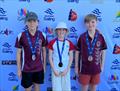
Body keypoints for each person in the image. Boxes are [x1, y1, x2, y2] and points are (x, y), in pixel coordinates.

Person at [15, 11, 47, 91]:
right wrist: (18, 69)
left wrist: (44, 67)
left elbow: (44, 51)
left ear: (37, 23)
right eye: (29, 21)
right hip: (26, 69)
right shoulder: (21, 36)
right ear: (26, 23)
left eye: (34, 21)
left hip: (39, 68)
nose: (32, 23)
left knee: (37, 89)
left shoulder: (43, 35)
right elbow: (18, 53)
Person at [75, 14, 107, 91]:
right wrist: (76, 67)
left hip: (96, 68)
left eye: (93, 22)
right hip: (84, 69)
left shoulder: (101, 37)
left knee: (94, 88)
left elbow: (103, 51)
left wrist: (102, 66)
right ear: (85, 24)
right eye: (88, 22)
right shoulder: (82, 37)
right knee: (84, 88)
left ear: (97, 22)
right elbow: (77, 52)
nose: (90, 24)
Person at [47, 22, 75, 91]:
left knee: (66, 88)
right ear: (56, 31)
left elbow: (71, 58)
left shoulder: (69, 43)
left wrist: (67, 69)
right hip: (55, 69)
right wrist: (54, 70)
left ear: (66, 31)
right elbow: (50, 57)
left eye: (63, 30)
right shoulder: (52, 43)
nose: (61, 31)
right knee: (56, 88)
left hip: (66, 69)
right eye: (59, 30)